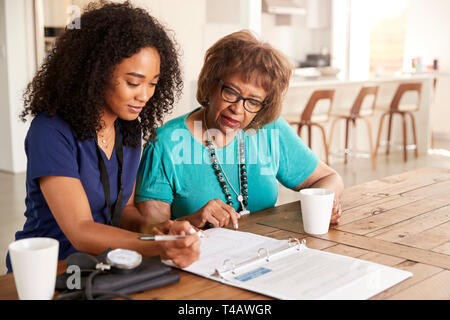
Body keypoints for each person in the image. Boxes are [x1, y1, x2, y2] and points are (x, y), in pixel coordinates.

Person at [5, 2, 200, 273]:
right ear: (95, 74)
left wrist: (161, 232)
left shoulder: (129, 129)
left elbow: (126, 211)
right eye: (133, 82)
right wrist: (158, 246)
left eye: (153, 83)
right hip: (49, 270)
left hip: (104, 266)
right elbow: (81, 231)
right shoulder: (50, 132)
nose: (144, 95)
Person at [134, 30, 344, 230]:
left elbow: (329, 178)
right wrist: (192, 221)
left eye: (253, 102)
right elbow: (150, 232)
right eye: (231, 92)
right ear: (210, 84)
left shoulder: (269, 129)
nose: (237, 109)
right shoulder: (165, 144)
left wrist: (327, 201)